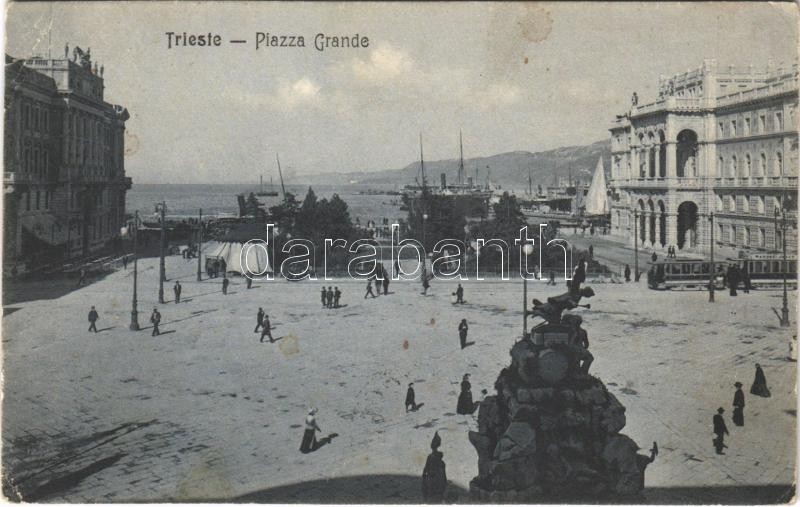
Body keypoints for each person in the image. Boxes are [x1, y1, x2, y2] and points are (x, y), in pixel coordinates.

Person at [422, 432, 447, 503]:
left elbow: (426, 468)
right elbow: (443, 476)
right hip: (437, 483)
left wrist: (424, 476)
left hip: (432, 481)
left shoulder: (430, 457)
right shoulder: (440, 461)